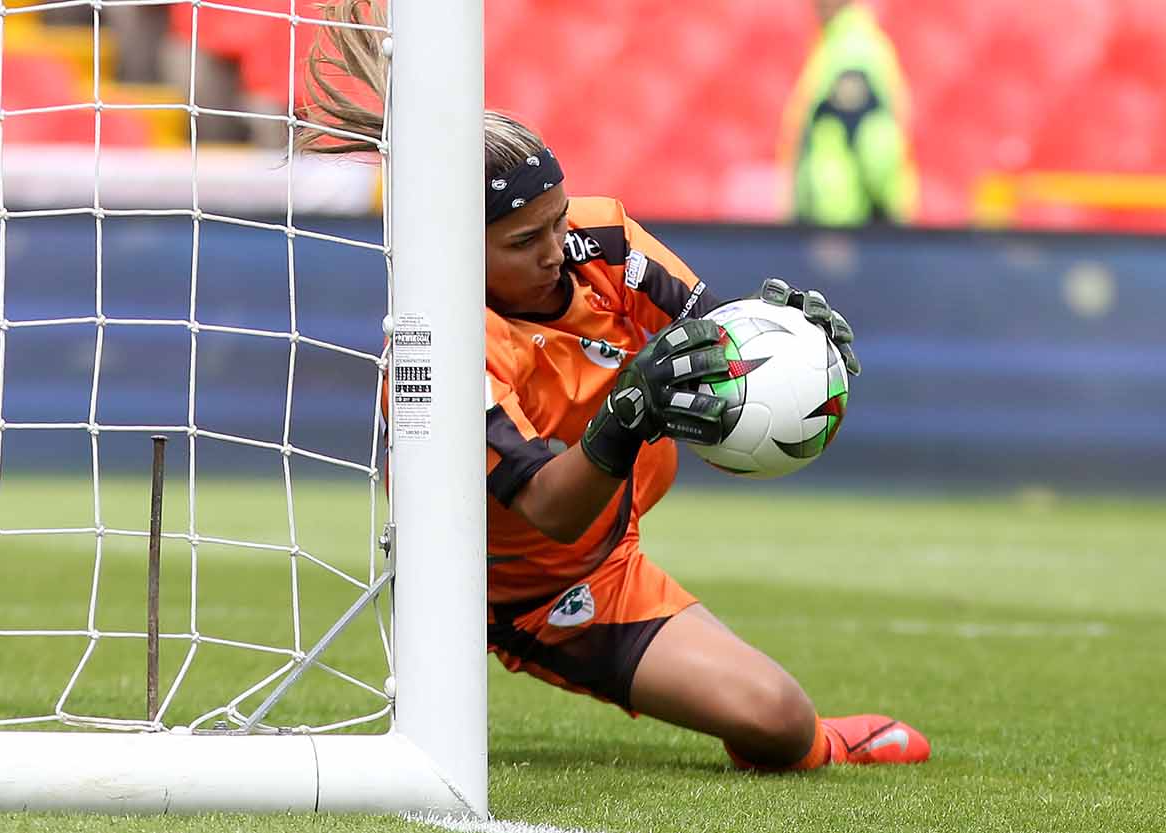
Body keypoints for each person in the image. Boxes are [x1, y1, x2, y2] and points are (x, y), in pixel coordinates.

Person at [298, 0, 929, 771]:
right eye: (524, 240)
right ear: (453, 244)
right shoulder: (441, 353)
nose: (555, 251)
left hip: (612, 532)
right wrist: (627, 414)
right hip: (535, 589)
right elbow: (551, 513)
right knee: (777, 720)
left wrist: (784, 339)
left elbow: (715, 337)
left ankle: (805, 728)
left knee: (780, 723)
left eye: (558, 221)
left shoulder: (604, 242)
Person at [779, 0, 920, 226]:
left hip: (849, 228)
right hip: (837, 226)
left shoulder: (852, 51)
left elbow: (876, 145)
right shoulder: (837, 45)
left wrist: (885, 217)